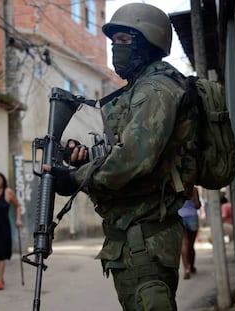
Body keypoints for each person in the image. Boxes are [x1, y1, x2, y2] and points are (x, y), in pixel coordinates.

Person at [45, 3, 199, 310]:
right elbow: (129, 149)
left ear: (149, 42)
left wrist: (75, 178)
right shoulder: (140, 90)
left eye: (125, 40)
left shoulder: (156, 89)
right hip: (133, 240)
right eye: (114, 41)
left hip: (146, 243)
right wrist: (86, 158)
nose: (117, 48)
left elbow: (133, 159)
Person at [178, 187, 201, 280]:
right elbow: (197, 205)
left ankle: (186, 269)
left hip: (180, 216)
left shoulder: (176, 187)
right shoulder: (193, 189)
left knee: (184, 243)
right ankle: (191, 267)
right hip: (192, 216)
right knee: (191, 245)